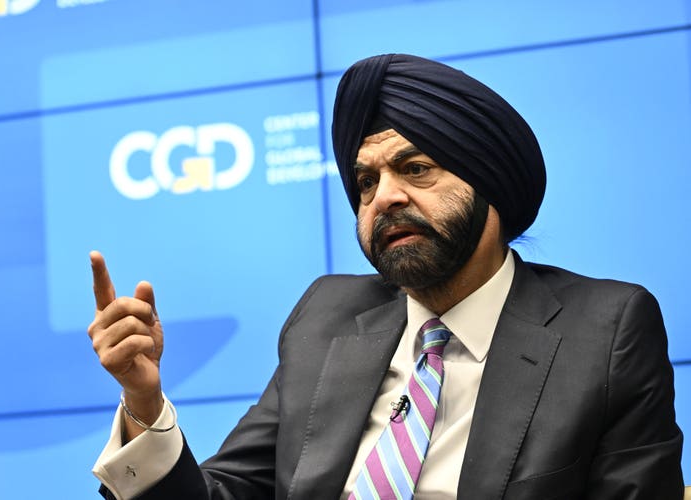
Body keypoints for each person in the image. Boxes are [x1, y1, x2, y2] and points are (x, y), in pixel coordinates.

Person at [88, 54, 684, 499]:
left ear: (491, 185)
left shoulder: (603, 331)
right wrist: (144, 401)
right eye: (366, 182)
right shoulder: (328, 316)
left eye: (416, 169)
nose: (384, 198)